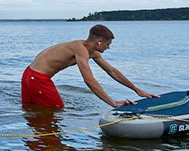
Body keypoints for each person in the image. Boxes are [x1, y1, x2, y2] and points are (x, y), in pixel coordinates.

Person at [22, 24, 158, 108]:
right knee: (56, 112)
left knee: (33, 111)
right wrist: (112, 103)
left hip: (29, 74)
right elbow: (89, 80)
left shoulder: (91, 51)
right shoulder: (79, 49)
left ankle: (37, 150)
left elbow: (112, 71)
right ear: (99, 42)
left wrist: (136, 90)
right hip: (38, 79)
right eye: (108, 44)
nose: (109, 47)